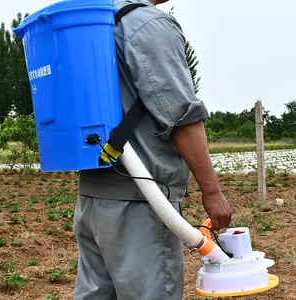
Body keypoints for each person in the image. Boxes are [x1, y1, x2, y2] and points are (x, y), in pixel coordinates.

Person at [74, 0, 232, 299]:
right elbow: (182, 117)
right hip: (142, 201)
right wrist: (212, 193)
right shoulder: (147, 23)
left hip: (93, 198)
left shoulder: (92, 24)